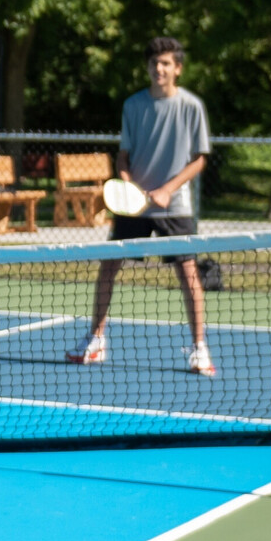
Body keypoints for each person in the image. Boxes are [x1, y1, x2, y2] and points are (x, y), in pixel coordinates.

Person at [69, 36, 215, 376]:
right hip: (134, 208)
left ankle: (199, 348)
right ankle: (96, 340)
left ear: (177, 69)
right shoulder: (133, 106)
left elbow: (199, 160)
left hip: (174, 206)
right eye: (154, 63)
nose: (158, 68)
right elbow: (123, 157)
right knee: (109, 266)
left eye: (165, 63)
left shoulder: (191, 106)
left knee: (188, 273)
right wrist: (128, 187)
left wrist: (166, 190)